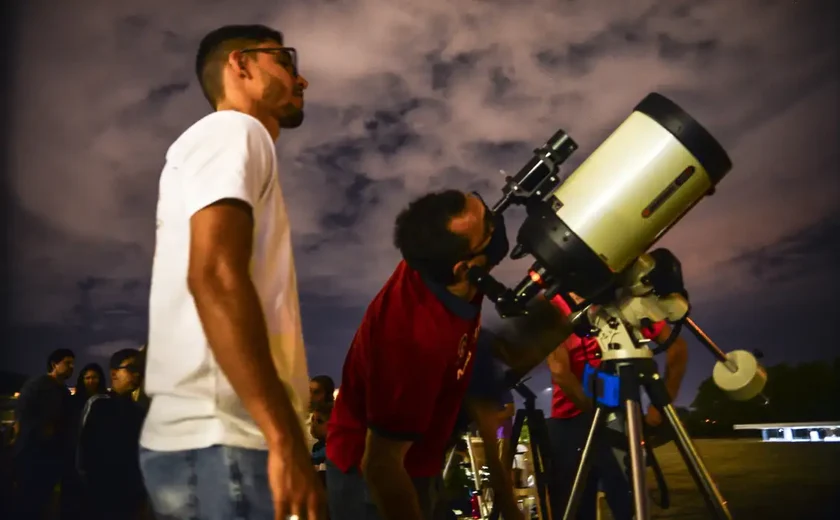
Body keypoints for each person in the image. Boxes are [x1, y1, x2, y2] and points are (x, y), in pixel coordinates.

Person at [138, 24, 323, 520]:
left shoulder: (227, 141)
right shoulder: (234, 130)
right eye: (285, 61)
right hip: (229, 439)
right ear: (240, 65)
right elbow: (215, 276)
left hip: (216, 441)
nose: (301, 80)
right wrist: (283, 437)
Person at [325, 189, 517, 520]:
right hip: (371, 480)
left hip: (418, 459)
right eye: (488, 226)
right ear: (465, 269)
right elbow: (381, 466)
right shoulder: (412, 344)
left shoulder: (437, 264)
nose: (496, 221)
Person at [545, 294, 689, 520]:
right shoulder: (557, 306)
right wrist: (598, 415)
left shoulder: (623, 300)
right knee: (586, 506)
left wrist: (662, 402)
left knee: (623, 503)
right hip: (576, 420)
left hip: (614, 416)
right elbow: (560, 372)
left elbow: (677, 347)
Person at [77, 349, 148, 519]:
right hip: (100, 497)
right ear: (114, 373)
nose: (138, 374)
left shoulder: (139, 411)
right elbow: (81, 451)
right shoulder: (98, 405)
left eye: (141, 369)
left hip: (130, 497)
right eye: (132, 368)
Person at [11, 348, 75, 520]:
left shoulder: (65, 391)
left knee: (44, 502)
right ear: (55, 364)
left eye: (73, 363)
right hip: (33, 455)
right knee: (29, 502)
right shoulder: (37, 385)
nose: (72, 367)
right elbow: (21, 416)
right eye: (67, 363)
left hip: (53, 456)